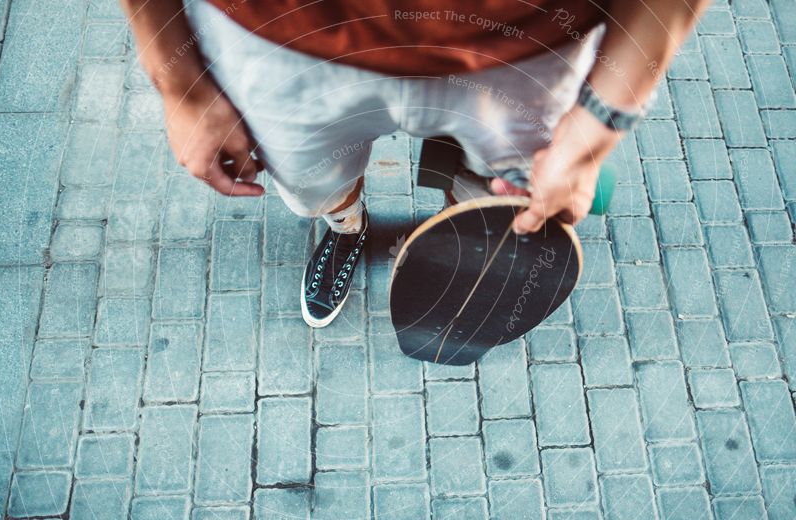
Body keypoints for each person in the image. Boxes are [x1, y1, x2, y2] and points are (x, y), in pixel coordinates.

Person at [120, 0, 710, 327]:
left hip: (529, 45)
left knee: (501, 186)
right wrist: (177, 83)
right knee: (312, 178)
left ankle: (457, 242)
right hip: (278, 37)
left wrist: (598, 125)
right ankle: (349, 229)